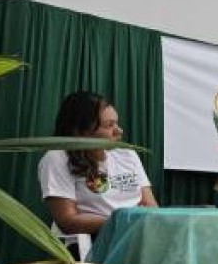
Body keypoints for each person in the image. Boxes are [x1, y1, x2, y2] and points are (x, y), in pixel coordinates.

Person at [38, 91, 157, 235]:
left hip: (137, 233)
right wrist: (123, 222)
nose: (119, 131)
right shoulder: (57, 158)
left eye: (117, 123)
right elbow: (67, 221)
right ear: (81, 131)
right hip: (97, 238)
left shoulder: (127, 154)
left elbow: (151, 207)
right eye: (109, 125)